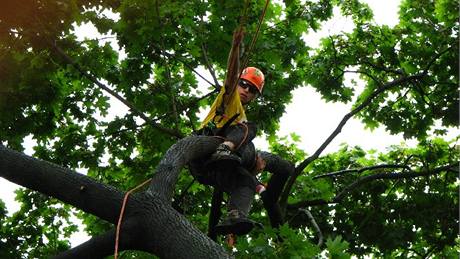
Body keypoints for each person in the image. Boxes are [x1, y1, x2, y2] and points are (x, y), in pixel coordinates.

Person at [192, 66, 266, 236]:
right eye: (243, 84)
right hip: (205, 150)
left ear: (254, 96)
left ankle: (235, 216)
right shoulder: (228, 97)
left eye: (252, 89)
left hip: (212, 170)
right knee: (250, 128)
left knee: (246, 181)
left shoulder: (242, 116)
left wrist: (253, 170)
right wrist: (236, 45)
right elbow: (231, 73)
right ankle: (225, 148)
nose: (246, 90)